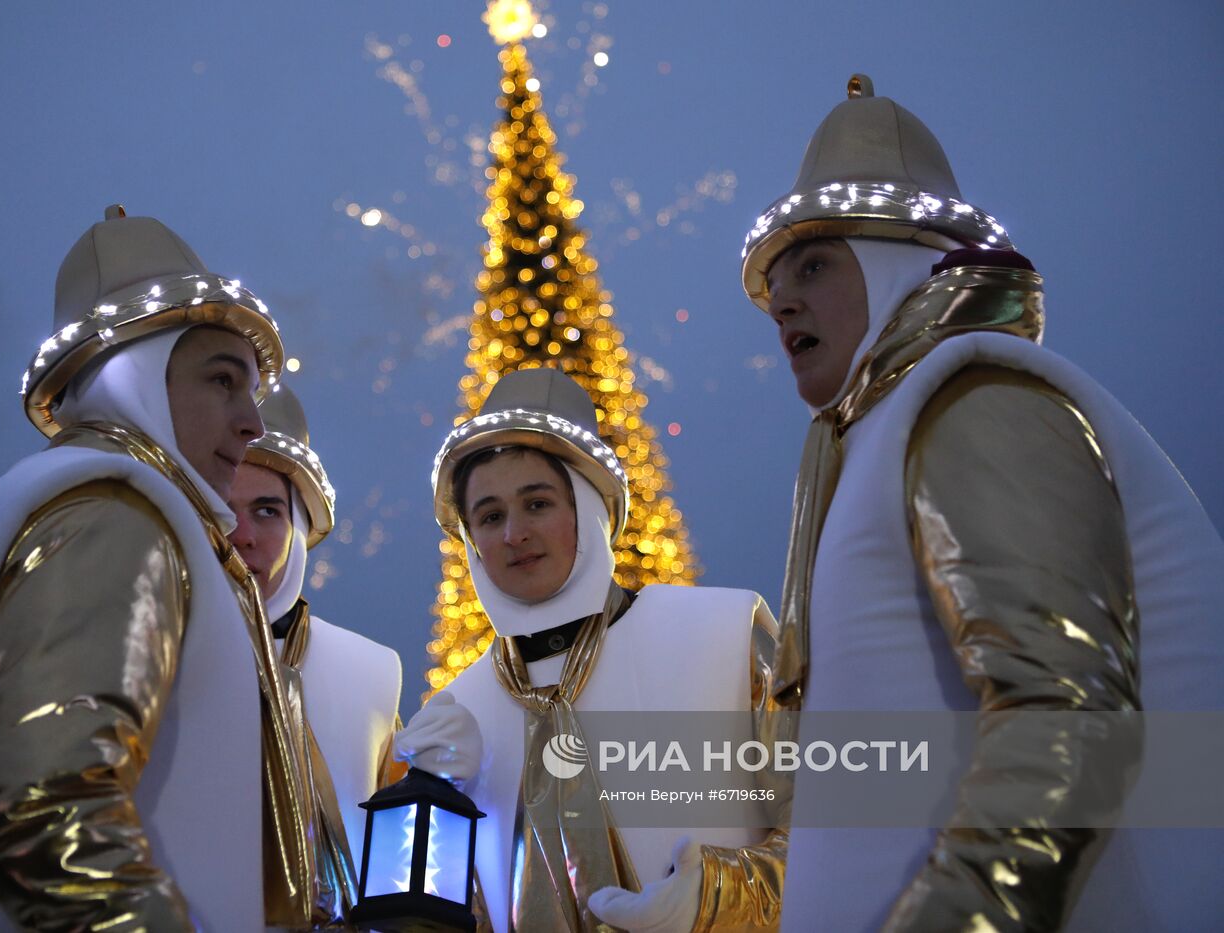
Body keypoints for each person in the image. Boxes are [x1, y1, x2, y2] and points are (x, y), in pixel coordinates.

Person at [739, 75, 1224, 930]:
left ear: (902, 259)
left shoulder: (979, 402)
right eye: (776, 277)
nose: (781, 299)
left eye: (813, 262)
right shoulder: (881, 443)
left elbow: (1070, 724)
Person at [0, 205, 304, 930]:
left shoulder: (101, 504)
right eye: (222, 380)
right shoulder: (113, 515)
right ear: (138, 375)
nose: (253, 422)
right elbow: (48, 816)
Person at [395, 366, 783, 932]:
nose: (513, 535)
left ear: (589, 508)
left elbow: (845, 823)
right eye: (490, 516)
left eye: (537, 503)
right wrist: (431, 808)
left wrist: (717, 898)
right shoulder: (457, 715)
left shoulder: (724, 633)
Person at [227, 383, 403, 929]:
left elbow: (402, 852)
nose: (242, 536)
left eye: (267, 511)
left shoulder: (372, 671)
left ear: (300, 528)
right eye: (219, 509)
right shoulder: (157, 658)